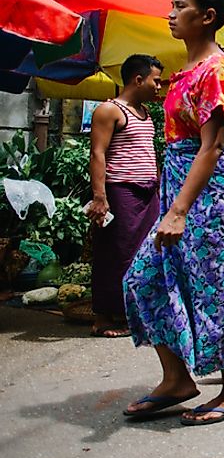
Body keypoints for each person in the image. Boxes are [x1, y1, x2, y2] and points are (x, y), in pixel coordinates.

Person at [122, 0, 224, 424]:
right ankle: (178, 378)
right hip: (186, 188)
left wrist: (178, 209)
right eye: (172, 5)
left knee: (216, 289)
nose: (171, 12)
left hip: (217, 194)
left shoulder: (218, 71)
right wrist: (175, 204)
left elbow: (213, 147)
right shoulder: (188, 70)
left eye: (180, 6)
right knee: (144, 279)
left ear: (207, 17)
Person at [88, 54, 163, 338]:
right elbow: (97, 153)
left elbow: (148, 152)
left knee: (147, 252)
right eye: (156, 80)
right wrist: (99, 196)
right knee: (116, 252)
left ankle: (133, 312)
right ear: (138, 79)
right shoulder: (110, 110)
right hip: (121, 190)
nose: (159, 86)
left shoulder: (145, 112)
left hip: (148, 191)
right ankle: (105, 317)